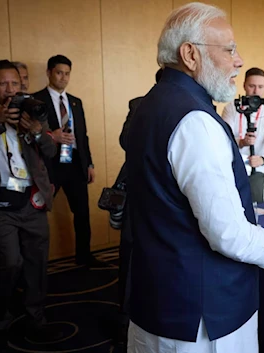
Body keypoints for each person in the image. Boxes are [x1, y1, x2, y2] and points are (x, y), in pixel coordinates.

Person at [125, 3, 264, 353]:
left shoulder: (149, 105)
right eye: (230, 49)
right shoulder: (196, 121)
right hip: (203, 320)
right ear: (190, 54)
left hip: (157, 303)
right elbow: (229, 236)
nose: (238, 60)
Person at [0, 59, 61, 345]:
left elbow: (49, 149)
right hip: (1, 205)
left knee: (37, 263)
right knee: (10, 263)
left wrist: (35, 130)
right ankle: (4, 312)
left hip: (32, 200)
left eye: (15, 83)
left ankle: (35, 317)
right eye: (3, 84)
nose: (10, 89)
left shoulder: (33, 109)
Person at [33, 55, 106, 267]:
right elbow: (29, 135)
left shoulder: (75, 102)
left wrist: (89, 164)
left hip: (74, 164)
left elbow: (83, 136)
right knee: (37, 213)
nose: (63, 78)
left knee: (82, 213)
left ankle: (84, 257)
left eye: (67, 73)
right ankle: (34, 263)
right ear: (49, 73)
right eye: (59, 72)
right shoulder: (36, 100)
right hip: (49, 164)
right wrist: (50, 135)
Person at [111, 67, 163, 346]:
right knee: (130, 258)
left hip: (171, 201)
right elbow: (126, 142)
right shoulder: (140, 105)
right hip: (139, 195)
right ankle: (124, 319)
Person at [221, 67, 264, 203]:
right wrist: (241, 142)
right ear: (244, 86)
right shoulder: (231, 109)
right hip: (233, 167)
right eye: (252, 86)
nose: (256, 91)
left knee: (256, 208)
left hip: (256, 169)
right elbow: (223, 139)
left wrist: (262, 159)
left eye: (260, 86)